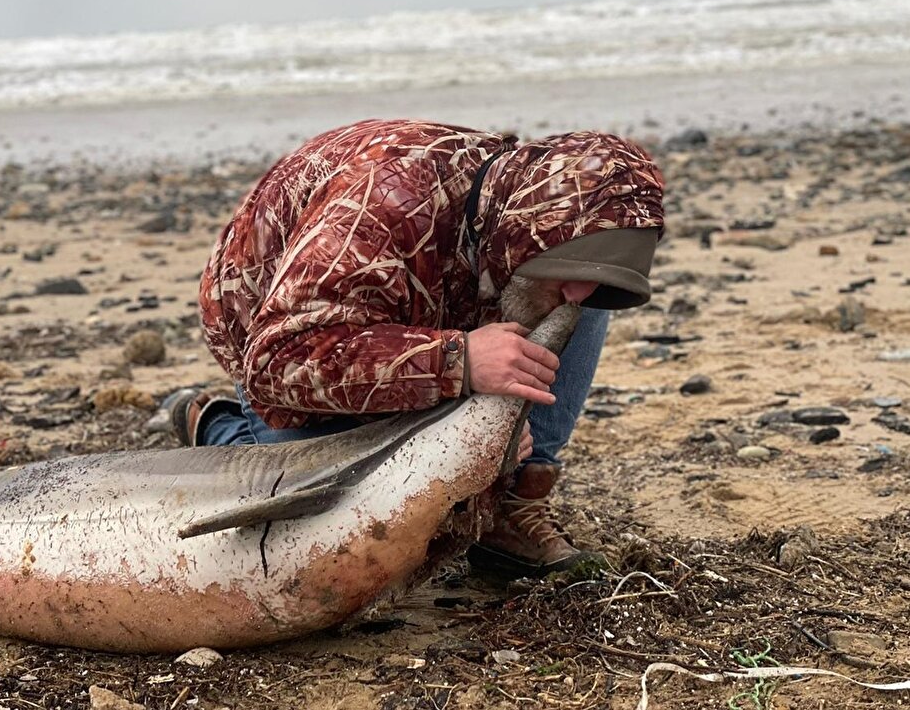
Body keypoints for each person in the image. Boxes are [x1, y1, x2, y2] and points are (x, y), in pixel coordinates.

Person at [169, 118, 665, 579]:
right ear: (527, 227)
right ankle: (218, 424)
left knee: (573, 290)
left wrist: (495, 432)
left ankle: (511, 504)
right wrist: (459, 361)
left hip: (438, 311)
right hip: (282, 335)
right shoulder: (379, 209)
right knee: (324, 528)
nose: (581, 296)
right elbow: (278, 360)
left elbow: (561, 286)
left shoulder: (516, 226)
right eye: (573, 270)